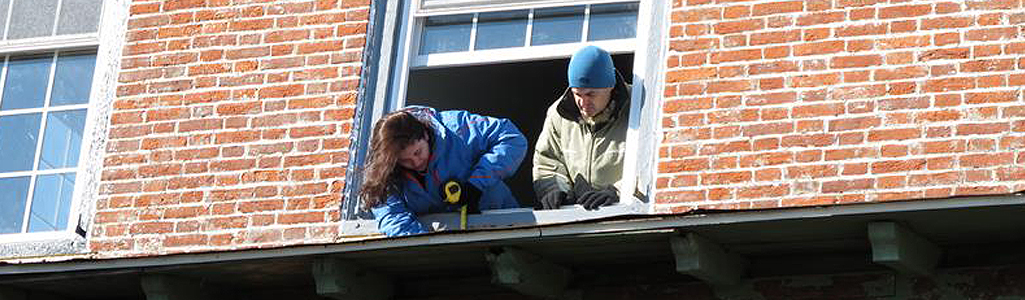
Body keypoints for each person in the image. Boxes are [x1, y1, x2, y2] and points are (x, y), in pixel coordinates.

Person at [361, 106, 528, 237]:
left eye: (418, 152)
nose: (416, 162)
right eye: (405, 161)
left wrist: (476, 184)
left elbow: (512, 138)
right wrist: (423, 247)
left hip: (502, 224)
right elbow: (393, 218)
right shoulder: (382, 172)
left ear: (426, 134)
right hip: (443, 245)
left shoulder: (457, 128)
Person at [533, 45, 630, 211]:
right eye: (577, 94)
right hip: (579, 218)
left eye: (591, 94)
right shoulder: (558, 115)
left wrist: (619, 191)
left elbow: (652, 165)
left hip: (627, 215)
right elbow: (548, 161)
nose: (583, 103)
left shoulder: (638, 109)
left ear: (610, 86)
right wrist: (554, 189)